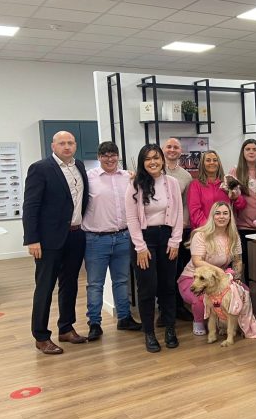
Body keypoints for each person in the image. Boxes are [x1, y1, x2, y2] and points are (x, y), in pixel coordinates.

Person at [23, 130, 90, 355]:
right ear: (53, 146)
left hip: (76, 235)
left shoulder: (79, 166)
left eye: (70, 142)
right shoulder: (40, 169)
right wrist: (32, 239)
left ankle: (66, 328)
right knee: (45, 287)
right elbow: (31, 207)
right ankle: (41, 336)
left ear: (75, 145)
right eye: (62, 143)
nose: (67, 146)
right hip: (48, 240)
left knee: (70, 284)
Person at [126, 144, 184, 353]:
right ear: (143, 162)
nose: (153, 162)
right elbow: (131, 218)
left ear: (162, 160)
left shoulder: (172, 183)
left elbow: (177, 213)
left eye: (156, 158)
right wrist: (140, 247)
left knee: (168, 287)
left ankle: (170, 328)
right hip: (143, 240)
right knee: (147, 288)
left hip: (167, 237)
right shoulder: (135, 184)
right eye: (148, 158)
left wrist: (175, 240)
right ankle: (149, 332)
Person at [82, 141, 142, 341]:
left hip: (124, 237)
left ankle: (124, 318)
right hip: (95, 239)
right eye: (105, 155)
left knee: (122, 281)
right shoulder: (88, 178)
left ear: (118, 156)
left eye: (113, 155)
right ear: (99, 157)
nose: (109, 159)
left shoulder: (128, 177)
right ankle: (94, 323)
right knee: (95, 284)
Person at [178, 202, 245, 336]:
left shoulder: (234, 236)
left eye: (225, 213)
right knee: (201, 299)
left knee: (243, 292)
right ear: (212, 216)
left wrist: (236, 278)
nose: (222, 217)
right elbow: (197, 261)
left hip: (219, 279)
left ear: (230, 217)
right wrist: (219, 271)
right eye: (217, 213)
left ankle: (237, 324)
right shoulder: (201, 234)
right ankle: (198, 322)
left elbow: (237, 260)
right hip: (193, 277)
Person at [163, 137, 193, 323]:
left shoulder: (186, 176)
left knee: (178, 269)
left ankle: (178, 306)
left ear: (180, 151)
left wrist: (184, 222)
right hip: (159, 228)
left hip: (179, 228)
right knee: (163, 271)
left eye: (176, 147)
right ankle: (164, 309)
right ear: (163, 150)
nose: (172, 150)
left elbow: (186, 203)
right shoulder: (155, 170)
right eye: (169, 146)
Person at [230, 139, 256, 273]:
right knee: (245, 267)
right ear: (243, 152)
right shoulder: (235, 172)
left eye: (255, 149)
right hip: (243, 227)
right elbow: (232, 198)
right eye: (248, 149)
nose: (251, 152)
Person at [187, 150, 247, 230]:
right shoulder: (195, 185)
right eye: (208, 160)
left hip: (226, 231)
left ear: (218, 163)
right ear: (202, 164)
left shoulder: (227, 182)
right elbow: (195, 212)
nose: (212, 162)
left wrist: (236, 198)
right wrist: (209, 228)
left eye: (215, 160)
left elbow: (242, 205)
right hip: (204, 232)